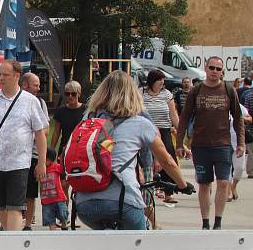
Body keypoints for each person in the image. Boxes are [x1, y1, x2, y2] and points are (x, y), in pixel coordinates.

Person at [75, 71, 193, 230]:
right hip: (123, 201)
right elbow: (167, 161)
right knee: (140, 245)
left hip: (84, 204)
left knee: (104, 247)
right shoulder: (140, 122)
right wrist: (183, 185)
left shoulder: (89, 119)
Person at [0, 60, 48, 231]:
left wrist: (42, 162)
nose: (1, 78)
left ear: (17, 76)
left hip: (19, 162)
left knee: (15, 206)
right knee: (1, 206)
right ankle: (8, 236)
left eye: (5, 75)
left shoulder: (30, 101)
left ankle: (13, 243)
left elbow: (40, 133)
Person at [176, 56, 244, 230]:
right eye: (211, 68)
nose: (214, 71)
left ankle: (218, 222)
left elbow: (238, 118)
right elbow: (184, 118)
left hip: (222, 145)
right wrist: (179, 144)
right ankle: (205, 222)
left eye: (218, 69)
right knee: (204, 184)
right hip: (201, 146)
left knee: (223, 182)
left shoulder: (229, 90)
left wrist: (241, 143)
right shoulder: (196, 90)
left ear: (222, 72)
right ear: (205, 69)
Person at [141, 69, 180, 205]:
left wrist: (180, 130)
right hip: (146, 131)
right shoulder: (141, 93)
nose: (162, 82)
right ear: (152, 81)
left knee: (168, 158)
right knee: (148, 161)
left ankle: (168, 192)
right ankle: (149, 190)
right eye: (159, 80)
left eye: (163, 80)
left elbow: (173, 115)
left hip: (164, 131)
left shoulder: (166, 94)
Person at [20, 72, 49, 229]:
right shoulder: (14, 101)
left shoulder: (40, 103)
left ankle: (28, 223)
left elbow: (45, 130)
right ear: (25, 85)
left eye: (38, 85)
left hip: (32, 154)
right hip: (15, 154)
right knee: (14, 191)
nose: (38, 88)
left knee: (30, 192)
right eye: (35, 85)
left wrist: (29, 134)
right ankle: (9, 221)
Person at [51, 80, 86, 155]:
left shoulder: (86, 110)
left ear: (79, 94)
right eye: (67, 94)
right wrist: (51, 150)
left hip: (81, 149)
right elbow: (56, 132)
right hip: (64, 148)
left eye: (73, 94)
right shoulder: (61, 111)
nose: (70, 96)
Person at [40, 147, 68, 230]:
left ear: (51, 159)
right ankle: (53, 232)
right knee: (50, 220)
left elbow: (64, 170)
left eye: (46, 159)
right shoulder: (40, 169)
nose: (44, 162)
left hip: (58, 198)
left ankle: (64, 225)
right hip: (46, 200)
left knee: (63, 214)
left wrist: (63, 156)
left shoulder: (56, 167)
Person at [229, 103, 251, 201]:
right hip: (221, 142)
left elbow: (249, 118)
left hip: (238, 142)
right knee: (225, 170)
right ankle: (228, 191)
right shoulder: (217, 104)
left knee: (239, 168)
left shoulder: (238, 106)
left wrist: (241, 118)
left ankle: (233, 186)